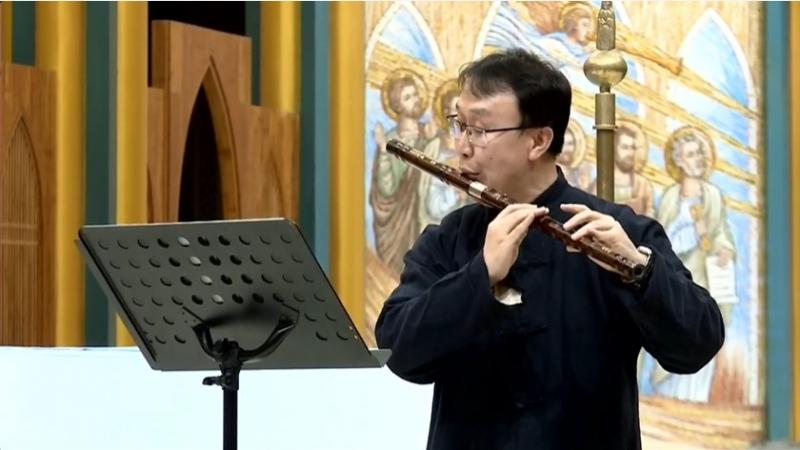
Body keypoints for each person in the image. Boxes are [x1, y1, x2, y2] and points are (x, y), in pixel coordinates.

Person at [374, 48, 724, 450]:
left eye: (480, 130)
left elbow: (696, 345)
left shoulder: (621, 232)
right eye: (460, 125)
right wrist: (479, 275)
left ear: (539, 140)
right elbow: (399, 351)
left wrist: (639, 270)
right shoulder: (449, 238)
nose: (462, 147)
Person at [650, 125, 736, 402]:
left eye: (700, 153)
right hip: (675, 279)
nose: (697, 159)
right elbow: (660, 238)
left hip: (704, 278)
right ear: (678, 160)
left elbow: (721, 232)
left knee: (700, 330)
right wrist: (689, 232)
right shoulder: (670, 197)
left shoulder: (713, 195)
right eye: (690, 154)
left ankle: (695, 401)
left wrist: (723, 248)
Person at [370, 69, 436, 274]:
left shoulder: (431, 133)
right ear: (397, 106)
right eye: (408, 97)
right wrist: (383, 151)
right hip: (399, 224)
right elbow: (386, 190)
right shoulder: (389, 141)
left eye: (415, 94)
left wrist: (434, 143)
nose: (415, 100)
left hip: (426, 218)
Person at [588, 120, 655, 216]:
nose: (630, 153)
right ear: (614, 149)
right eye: (625, 147)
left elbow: (650, 216)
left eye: (633, 148)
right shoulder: (600, 184)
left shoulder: (643, 185)